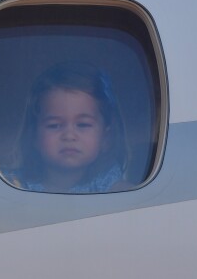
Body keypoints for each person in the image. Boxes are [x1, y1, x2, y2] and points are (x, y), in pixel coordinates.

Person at [7, 62, 130, 193]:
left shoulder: (110, 187)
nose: (69, 136)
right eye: (54, 125)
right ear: (34, 137)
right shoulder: (16, 185)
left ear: (106, 138)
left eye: (83, 124)